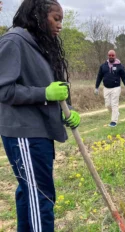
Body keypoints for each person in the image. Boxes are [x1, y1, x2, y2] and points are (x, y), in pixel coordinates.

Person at [0, 0, 81, 231]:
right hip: (24, 134)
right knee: (40, 198)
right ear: (38, 15)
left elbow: (53, 88)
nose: (60, 25)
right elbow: (4, 90)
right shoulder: (13, 42)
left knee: (30, 195)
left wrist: (68, 111)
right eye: (56, 19)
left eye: (62, 20)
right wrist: (45, 94)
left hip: (39, 132)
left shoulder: (41, 45)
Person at [94, 50, 125, 127]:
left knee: (114, 104)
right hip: (106, 88)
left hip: (116, 88)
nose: (111, 57)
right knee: (107, 105)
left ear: (115, 56)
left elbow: (124, 78)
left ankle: (114, 121)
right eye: (109, 55)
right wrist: (96, 87)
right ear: (108, 56)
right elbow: (99, 77)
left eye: (112, 55)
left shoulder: (120, 66)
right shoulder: (103, 66)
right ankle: (116, 113)